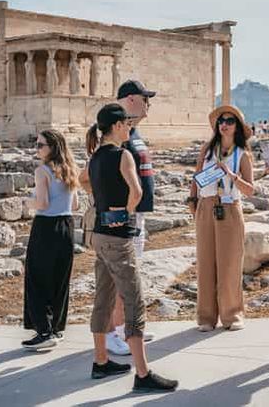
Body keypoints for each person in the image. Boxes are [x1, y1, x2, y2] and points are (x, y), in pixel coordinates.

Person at [81, 103, 178, 392]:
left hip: (98, 234)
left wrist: (103, 204)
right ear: (117, 126)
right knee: (133, 299)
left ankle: (100, 361)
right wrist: (124, 213)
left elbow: (82, 181)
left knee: (103, 297)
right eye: (126, 123)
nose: (129, 128)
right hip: (119, 236)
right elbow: (136, 192)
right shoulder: (124, 155)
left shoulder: (95, 156)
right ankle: (143, 374)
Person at [187, 105, 255, 332]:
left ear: (237, 127)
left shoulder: (242, 154)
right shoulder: (207, 149)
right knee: (205, 262)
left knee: (230, 264)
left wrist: (231, 175)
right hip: (206, 208)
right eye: (221, 120)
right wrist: (192, 202)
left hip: (230, 208)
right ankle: (206, 317)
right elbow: (196, 179)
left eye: (229, 120)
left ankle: (232, 314)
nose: (224, 124)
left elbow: (250, 190)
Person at [104, 80, 158, 356]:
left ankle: (128, 327)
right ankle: (113, 332)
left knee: (131, 275)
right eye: (145, 98)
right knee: (120, 276)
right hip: (126, 216)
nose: (149, 103)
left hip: (138, 216)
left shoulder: (133, 132)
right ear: (132, 99)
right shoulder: (115, 131)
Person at [22, 129, 80, 350]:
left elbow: (42, 203)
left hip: (46, 226)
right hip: (66, 226)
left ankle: (44, 331)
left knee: (37, 279)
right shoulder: (70, 170)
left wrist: (28, 202)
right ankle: (56, 328)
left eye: (40, 145)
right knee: (59, 279)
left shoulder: (42, 171)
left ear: (53, 147)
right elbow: (75, 205)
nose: (37, 149)